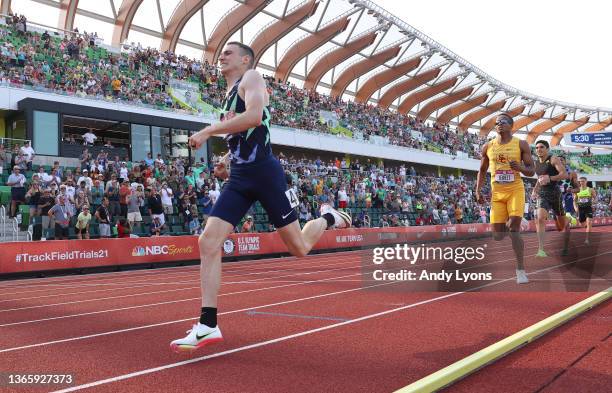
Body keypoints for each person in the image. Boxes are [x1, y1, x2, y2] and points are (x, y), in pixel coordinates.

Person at [171, 42, 351, 352]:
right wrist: (227, 162)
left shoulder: (252, 78)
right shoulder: (226, 97)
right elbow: (242, 135)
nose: (222, 56)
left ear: (244, 60)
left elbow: (255, 117)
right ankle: (207, 325)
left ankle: (327, 216)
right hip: (240, 178)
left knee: (299, 248)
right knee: (208, 242)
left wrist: (207, 131)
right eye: (221, 53)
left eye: (229, 52)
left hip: (266, 174)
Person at [476, 113, 535, 284]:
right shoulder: (488, 146)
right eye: (496, 123)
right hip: (497, 194)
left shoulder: (521, 144)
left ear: (511, 125)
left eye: (502, 122)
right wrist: (478, 191)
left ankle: (520, 270)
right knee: (498, 236)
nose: (499, 124)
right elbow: (481, 170)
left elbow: (532, 170)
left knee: (513, 229)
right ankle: (515, 220)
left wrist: (521, 168)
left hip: (515, 190)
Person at [532, 140, 569, 257]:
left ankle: (567, 219)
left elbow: (564, 174)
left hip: (555, 194)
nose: (539, 149)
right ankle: (541, 249)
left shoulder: (553, 159)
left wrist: (550, 178)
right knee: (540, 218)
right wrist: (534, 190)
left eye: (541, 147)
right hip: (543, 193)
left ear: (547, 149)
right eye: (537, 147)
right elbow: (540, 179)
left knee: (561, 227)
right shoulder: (536, 163)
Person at [574, 176, 596, 244]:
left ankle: (587, 239)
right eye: (580, 181)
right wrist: (575, 208)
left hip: (588, 208)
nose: (581, 182)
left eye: (583, 181)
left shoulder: (590, 190)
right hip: (580, 208)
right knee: (582, 225)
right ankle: (587, 226)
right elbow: (574, 200)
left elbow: (595, 198)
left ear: (586, 182)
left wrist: (593, 203)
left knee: (589, 223)